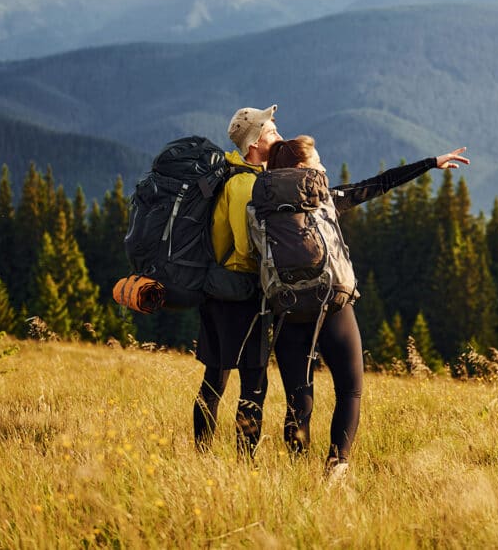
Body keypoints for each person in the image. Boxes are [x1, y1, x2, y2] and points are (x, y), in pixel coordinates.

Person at [264, 135, 469, 479]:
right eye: (316, 160)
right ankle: (336, 469)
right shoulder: (327, 199)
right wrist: (431, 162)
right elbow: (379, 184)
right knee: (350, 389)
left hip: (286, 308)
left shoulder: (261, 208)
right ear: (302, 168)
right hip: (333, 304)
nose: (323, 166)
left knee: (297, 399)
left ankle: (295, 475)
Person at [192, 104, 282, 457]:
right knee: (254, 383)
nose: (280, 136)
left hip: (216, 291)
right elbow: (246, 249)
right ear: (255, 141)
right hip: (240, 294)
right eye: (273, 131)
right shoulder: (246, 184)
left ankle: (202, 454)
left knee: (214, 380)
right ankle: (244, 463)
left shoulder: (233, 174)